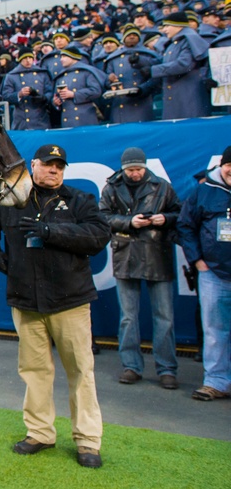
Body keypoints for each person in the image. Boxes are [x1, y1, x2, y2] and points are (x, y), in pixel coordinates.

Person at [0, 144, 109, 469]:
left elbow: (98, 235)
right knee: (35, 372)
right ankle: (40, 432)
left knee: (81, 372)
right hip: (25, 300)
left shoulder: (79, 200)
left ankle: (88, 441)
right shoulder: (12, 198)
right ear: (34, 165)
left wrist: (52, 231)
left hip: (70, 301)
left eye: (60, 166)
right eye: (48, 165)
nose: (54, 171)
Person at [99, 148, 181, 389]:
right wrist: (129, 222)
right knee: (128, 318)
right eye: (131, 170)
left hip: (157, 254)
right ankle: (131, 366)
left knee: (164, 317)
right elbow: (102, 217)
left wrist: (164, 219)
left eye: (139, 169)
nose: (135, 174)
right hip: (127, 255)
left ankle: (167, 369)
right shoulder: (112, 187)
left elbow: (178, 213)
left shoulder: (162, 186)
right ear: (123, 169)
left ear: (145, 167)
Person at [177, 146, 231, 401]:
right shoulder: (204, 190)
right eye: (230, 165)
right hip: (214, 274)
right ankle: (216, 381)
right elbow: (185, 225)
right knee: (215, 329)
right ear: (222, 165)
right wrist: (197, 260)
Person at [132, 12, 211, 120]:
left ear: (178, 25)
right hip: (177, 98)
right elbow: (162, 61)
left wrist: (153, 70)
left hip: (187, 97)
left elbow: (184, 64)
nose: (164, 30)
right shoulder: (175, 42)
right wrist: (140, 61)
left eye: (167, 26)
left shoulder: (188, 40)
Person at [52, 44, 106, 127]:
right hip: (67, 118)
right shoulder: (61, 76)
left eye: (64, 56)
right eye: (61, 57)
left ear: (73, 57)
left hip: (85, 117)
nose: (61, 60)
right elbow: (56, 95)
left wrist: (74, 94)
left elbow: (96, 91)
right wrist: (56, 102)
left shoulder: (86, 71)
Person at [1, 49, 52, 129]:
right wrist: (19, 94)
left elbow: (50, 92)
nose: (28, 60)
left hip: (41, 119)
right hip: (22, 119)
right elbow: (6, 95)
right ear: (20, 60)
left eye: (30, 58)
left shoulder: (42, 73)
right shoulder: (11, 75)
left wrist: (43, 98)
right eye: (25, 58)